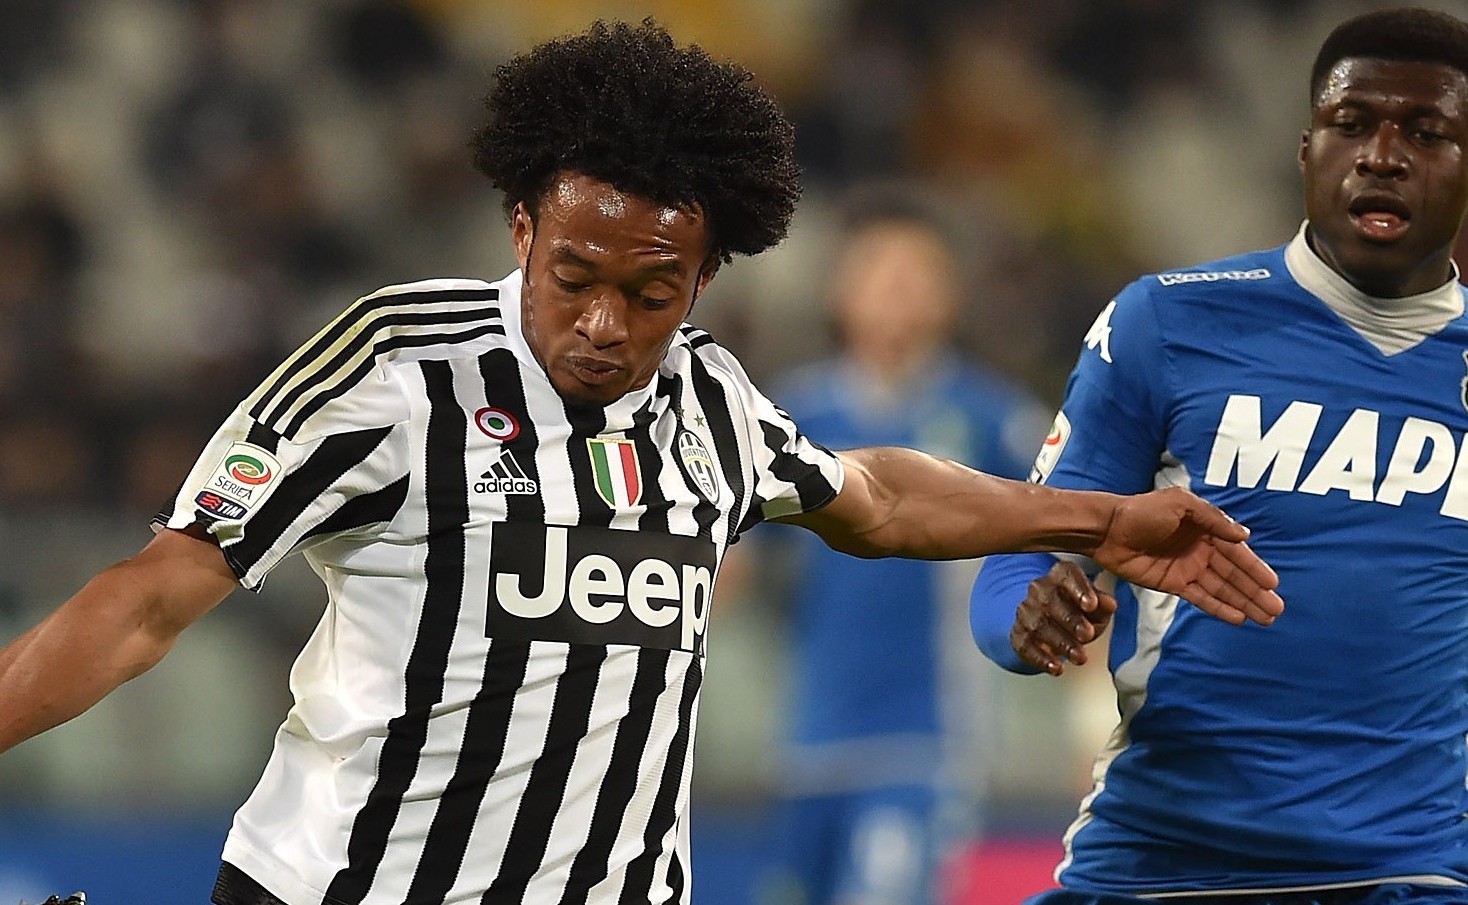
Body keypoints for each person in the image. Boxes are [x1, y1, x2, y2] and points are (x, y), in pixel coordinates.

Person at [0, 20, 1280, 905]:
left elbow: (873, 495)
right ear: (520, 226)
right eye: (574, 278)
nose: (607, 323)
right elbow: (153, 593)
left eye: (652, 291)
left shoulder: (711, 398)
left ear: (704, 276)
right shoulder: (394, 367)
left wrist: (1093, 515)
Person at [969, 7, 1468, 904]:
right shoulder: (1170, 321)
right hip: (1159, 860)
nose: (1383, 155)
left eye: (1427, 133)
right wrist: (1025, 619)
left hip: (1413, 870)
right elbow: (1019, 558)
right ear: (1306, 147)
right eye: (1351, 125)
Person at [751, 190, 1049, 905]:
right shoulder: (788, 414)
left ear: (948, 292)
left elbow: (1059, 544)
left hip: (927, 736)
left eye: (918, 272)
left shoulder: (993, 420)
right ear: (841, 287)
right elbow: (736, 564)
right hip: (809, 739)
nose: (897, 289)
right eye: (879, 269)